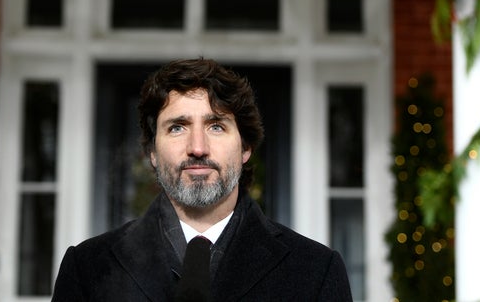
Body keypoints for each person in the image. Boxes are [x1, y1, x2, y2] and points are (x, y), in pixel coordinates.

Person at [52, 58, 353, 301]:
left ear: (245, 147)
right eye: (177, 128)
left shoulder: (316, 271)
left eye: (216, 127)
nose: (198, 147)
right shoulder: (87, 269)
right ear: (152, 152)